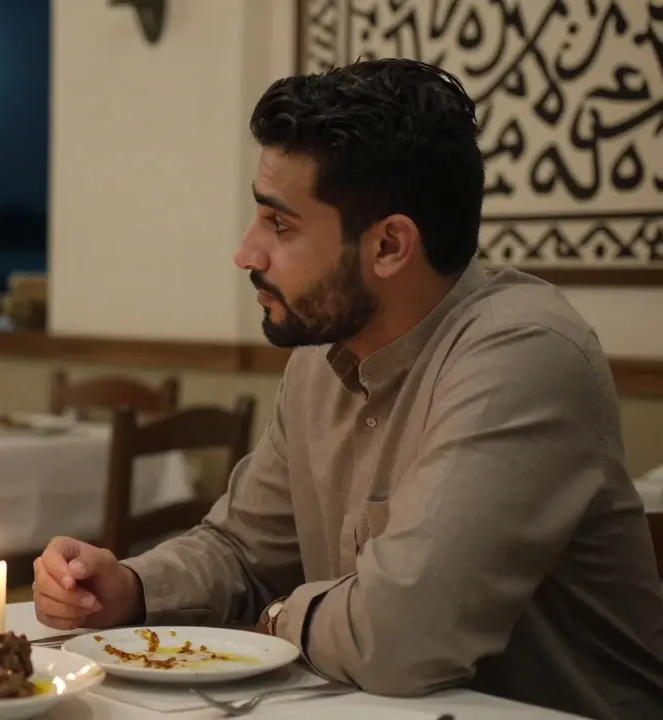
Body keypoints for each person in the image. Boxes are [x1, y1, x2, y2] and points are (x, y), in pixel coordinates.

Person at [32, 59, 663, 718]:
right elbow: (243, 550)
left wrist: (274, 621)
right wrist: (131, 586)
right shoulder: (323, 355)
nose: (246, 253)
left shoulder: (524, 354)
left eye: (280, 225)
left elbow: (399, 637)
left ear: (389, 245)